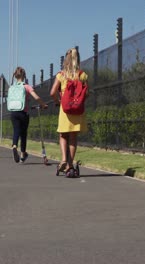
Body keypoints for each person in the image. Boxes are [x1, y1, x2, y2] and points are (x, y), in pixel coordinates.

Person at [49, 48, 88, 176]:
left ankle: (64, 160)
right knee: (73, 137)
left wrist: (58, 101)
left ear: (66, 60)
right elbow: (86, 93)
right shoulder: (82, 75)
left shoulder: (62, 75)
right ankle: (70, 166)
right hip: (77, 110)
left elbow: (52, 92)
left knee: (63, 135)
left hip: (65, 109)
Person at [10, 66, 48, 163]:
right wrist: (43, 104)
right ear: (24, 76)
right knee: (23, 134)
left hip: (13, 112)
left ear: (15, 76)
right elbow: (36, 97)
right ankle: (23, 154)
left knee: (16, 131)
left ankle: (14, 146)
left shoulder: (12, 87)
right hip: (23, 113)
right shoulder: (26, 86)